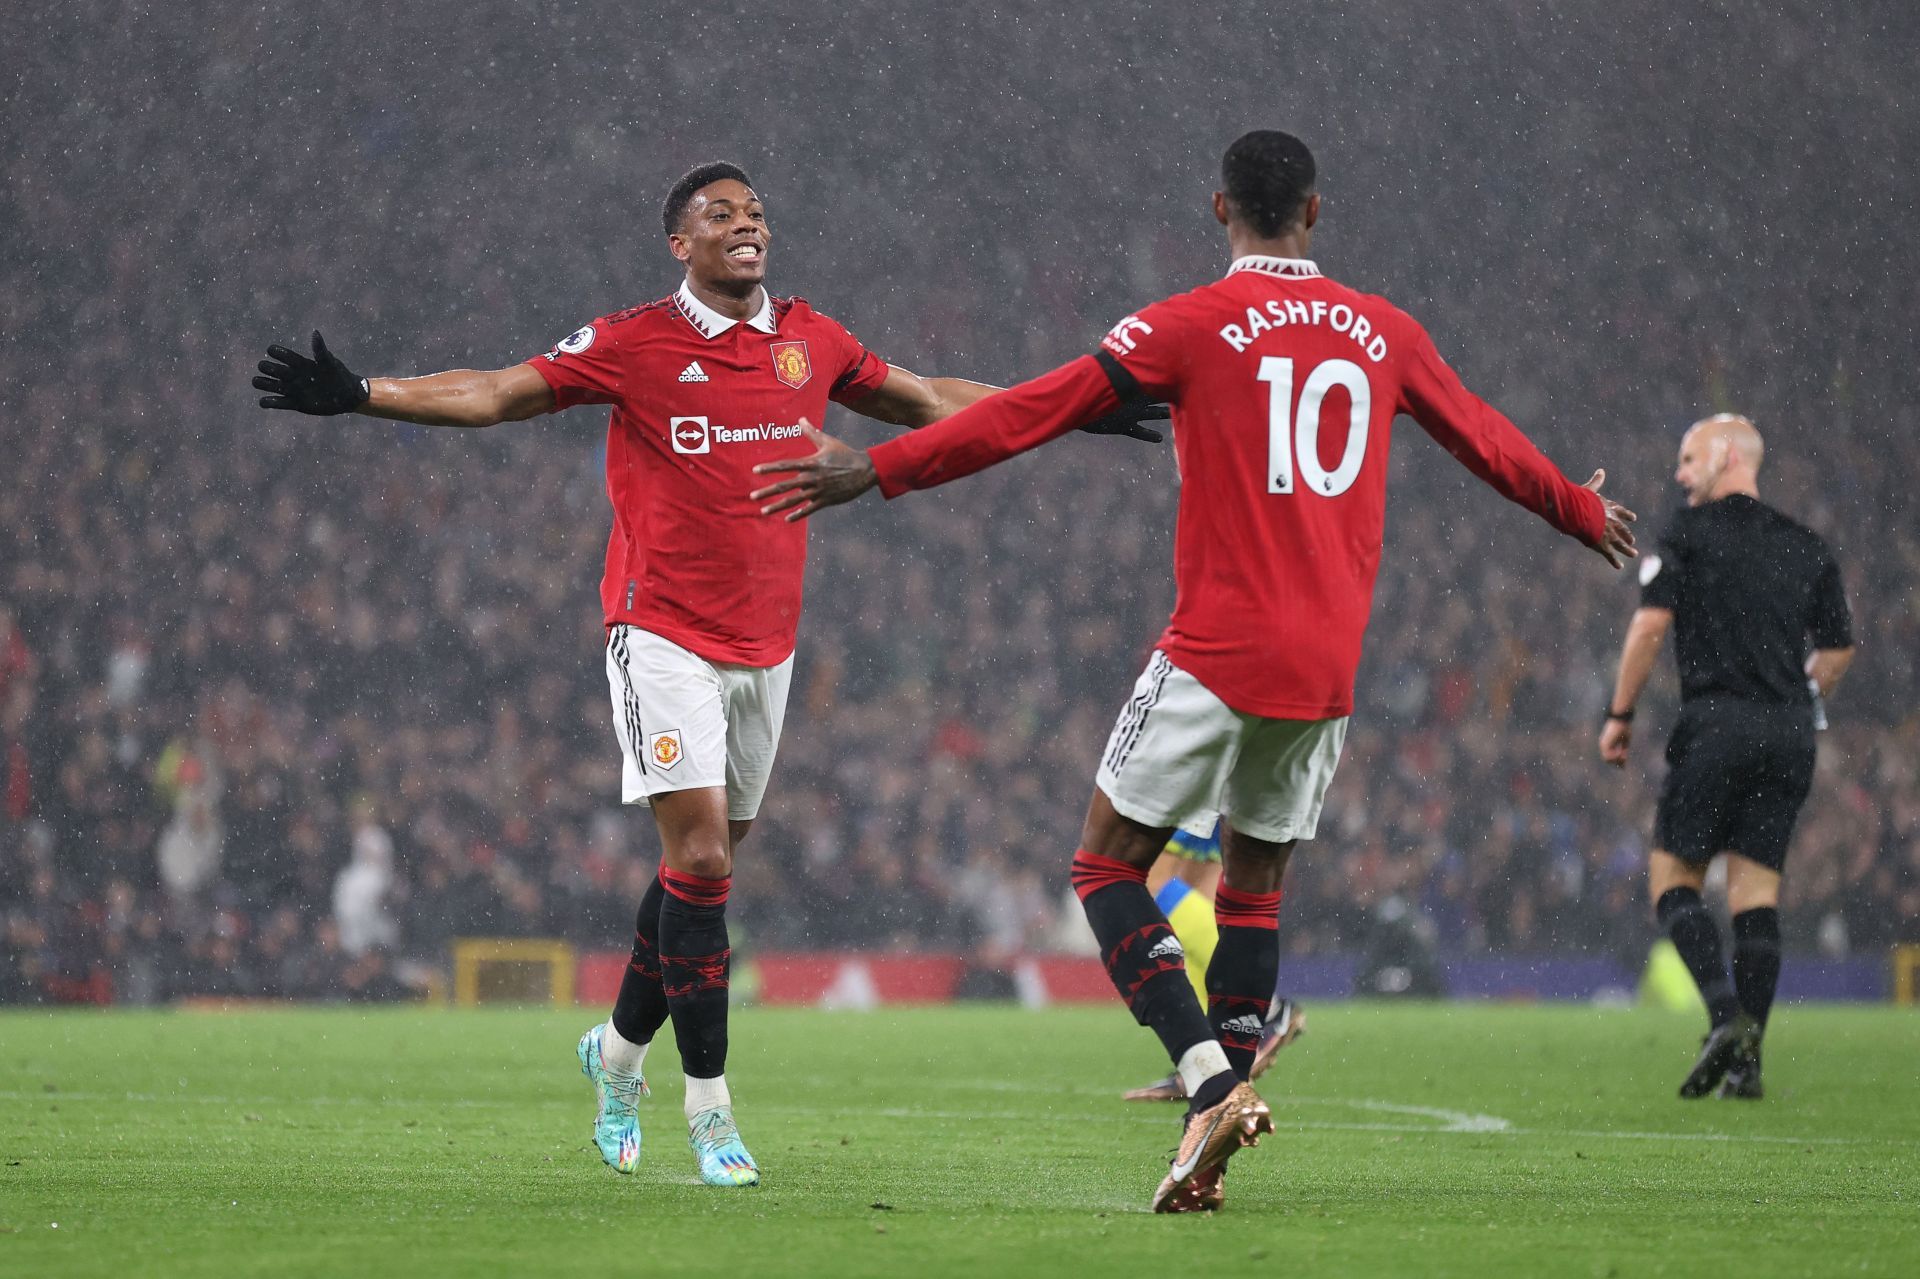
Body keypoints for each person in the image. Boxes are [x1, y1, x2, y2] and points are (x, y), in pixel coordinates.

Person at [751, 130, 1637, 1211]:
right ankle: (1202, 1135)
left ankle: (1208, 1076)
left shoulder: (1184, 324)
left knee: (1103, 867)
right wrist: (1581, 508)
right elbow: (1486, 439)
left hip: (1219, 648)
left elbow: (1028, 413)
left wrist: (874, 467)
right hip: (1327, 668)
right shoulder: (1385, 331)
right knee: (1255, 891)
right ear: (1315, 212)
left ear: (1220, 209)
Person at [252, 161, 1166, 1188]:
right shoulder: (633, 340)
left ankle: (615, 1053)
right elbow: (499, 393)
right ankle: (710, 1107)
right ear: (679, 244)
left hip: (766, 648)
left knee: (696, 875)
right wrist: (368, 395)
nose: (747, 226)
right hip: (661, 633)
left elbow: (927, 399)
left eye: (757, 213)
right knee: (703, 862)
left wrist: (1069, 405)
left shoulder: (811, 339)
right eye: (720, 215)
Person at [1599, 414, 1853, 1100]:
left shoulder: (1687, 534)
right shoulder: (1806, 545)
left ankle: (1723, 1015)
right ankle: (1748, 1065)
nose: (1679, 472)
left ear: (1729, 454)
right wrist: (1798, 694)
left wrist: (1619, 714)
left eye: (1689, 457)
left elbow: (1651, 623)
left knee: (1672, 879)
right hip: (1791, 733)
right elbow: (1837, 650)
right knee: (1755, 892)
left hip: (1718, 724)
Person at [1122, 814, 1305, 1102]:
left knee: (1150, 883)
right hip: (1225, 783)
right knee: (1196, 890)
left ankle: (1266, 1011)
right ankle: (1212, 1058)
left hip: (1191, 774)